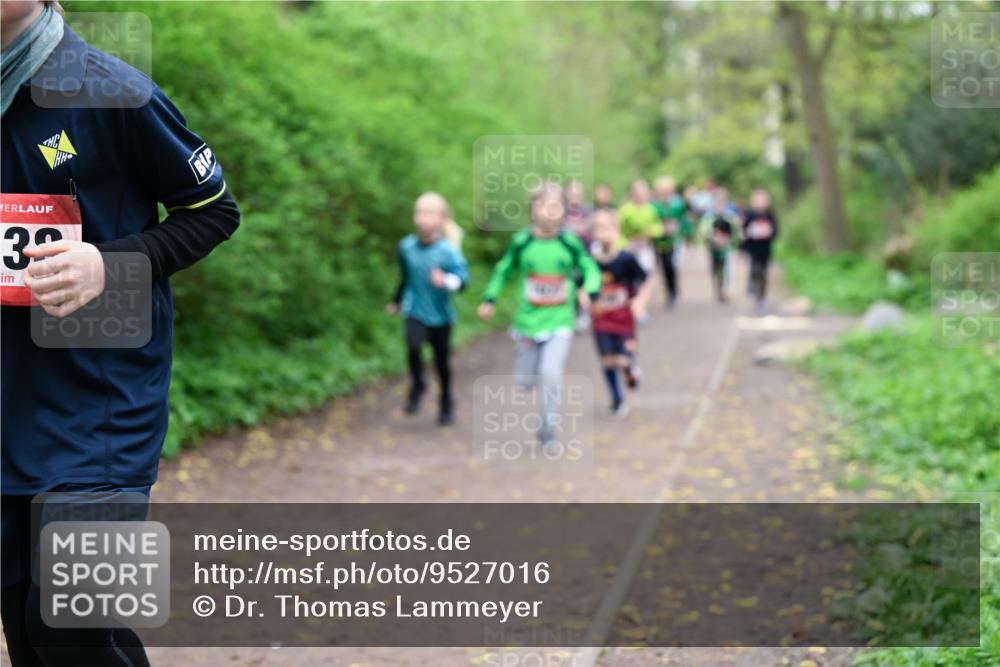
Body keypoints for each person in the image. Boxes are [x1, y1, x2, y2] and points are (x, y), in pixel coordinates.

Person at [1, 2, 240, 665]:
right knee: (32, 634)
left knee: (68, 620)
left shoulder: (112, 90)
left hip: (100, 404)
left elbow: (213, 211)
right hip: (10, 403)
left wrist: (110, 264)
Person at [478, 182, 600, 449]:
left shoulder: (569, 242)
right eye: (543, 205)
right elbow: (503, 270)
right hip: (527, 322)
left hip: (559, 320)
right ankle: (527, 375)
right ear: (532, 210)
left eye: (556, 206)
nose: (550, 212)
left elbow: (589, 268)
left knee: (550, 374)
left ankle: (547, 431)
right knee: (525, 382)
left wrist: (589, 290)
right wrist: (490, 298)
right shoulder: (523, 242)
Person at [386, 193, 469, 425]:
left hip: (441, 316)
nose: (423, 218)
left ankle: (446, 401)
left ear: (442, 220)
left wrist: (446, 280)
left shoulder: (448, 251)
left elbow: (463, 281)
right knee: (413, 347)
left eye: (430, 213)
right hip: (414, 309)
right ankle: (418, 384)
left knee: (442, 362)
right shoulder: (406, 247)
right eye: (420, 212)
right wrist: (396, 300)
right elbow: (405, 277)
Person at [588, 210, 652, 417]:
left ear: (617, 231)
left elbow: (647, 280)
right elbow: (580, 285)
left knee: (622, 359)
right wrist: (586, 302)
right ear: (593, 234)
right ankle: (617, 399)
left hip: (624, 319)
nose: (605, 233)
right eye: (599, 229)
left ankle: (630, 369)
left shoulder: (627, 259)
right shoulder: (590, 262)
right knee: (607, 360)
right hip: (601, 320)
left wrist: (640, 302)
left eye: (609, 228)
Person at [651, 176, 688, 307]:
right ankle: (669, 289)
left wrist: (684, 233)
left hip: (674, 240)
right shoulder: (654, 205)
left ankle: (673, 291)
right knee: (664, 267)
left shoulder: (678, 204)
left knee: (671, 265)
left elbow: (684, 220)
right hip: (660, 240)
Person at [742, 188, 779, 315]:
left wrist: (768, 232)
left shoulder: (770, 215)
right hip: (753, 249)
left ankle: (761, 299)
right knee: (755, 270)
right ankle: (753, 287)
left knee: (763, 274)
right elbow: (744, 231)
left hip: (765, 249)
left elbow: (776, 232)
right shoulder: (750, 214)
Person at [699, 188, 740, 304]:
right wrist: (713, 238)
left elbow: (736, 230)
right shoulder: (709, 215)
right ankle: (719, 287)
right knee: (716, 269)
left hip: (727, 248)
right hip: (713, 248)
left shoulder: (730, 215)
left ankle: (726, 290)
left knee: (727, 268)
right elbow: (704, 230)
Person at [617, 179, 660, 277]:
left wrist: (652, 231)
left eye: (643, 192)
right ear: (631, 193)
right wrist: (623, 244)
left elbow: (658, 227)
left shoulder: (651, 209)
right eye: (637, 192)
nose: (640, 195)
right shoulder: (625, 210)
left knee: (646, 275)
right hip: (629, 248)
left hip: (645, 248)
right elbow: (618, 229)